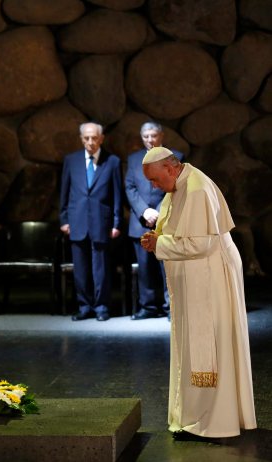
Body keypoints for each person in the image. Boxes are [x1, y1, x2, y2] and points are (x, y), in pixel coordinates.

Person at [140, 147, 256, 440]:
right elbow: (176, 228)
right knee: (194, 345)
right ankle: (194, 417)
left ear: (170, 168)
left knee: (212, 346)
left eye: (155, 180)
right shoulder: (179, 185)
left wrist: (159, 245)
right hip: (198, 274)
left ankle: (214, 421)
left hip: (210, 275)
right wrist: (157, 237)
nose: (154, 187)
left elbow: (200, 244)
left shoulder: (196, 189)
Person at [59, 122, 122, 321]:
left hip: (101, 222)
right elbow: (65, 192)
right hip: (77, 221)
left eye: (94, 138)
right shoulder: (71, 160)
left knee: (101, 269)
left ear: (101, 139)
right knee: (81, 269)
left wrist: (116, 222)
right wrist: (64, 219)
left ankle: (102, 307)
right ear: (81, 139)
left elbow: (117, 195)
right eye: (86, 138)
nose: (90, 142)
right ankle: (84, 306)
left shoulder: (112, 161)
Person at [125, 122, 184, 320]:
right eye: (146, 136)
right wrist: (145, 211)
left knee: (167, 268)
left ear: (161, 136)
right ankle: (148, 307)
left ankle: (171, 308)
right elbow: (130, 188)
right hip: (141, 223)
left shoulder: (176, 158)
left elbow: (177, 188)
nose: (150, 140)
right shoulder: (133, 159)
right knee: (145, 270)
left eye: (153, 135)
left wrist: (158, 213)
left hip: (166, 222)